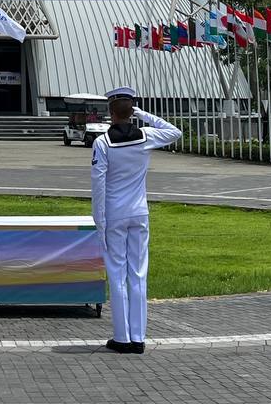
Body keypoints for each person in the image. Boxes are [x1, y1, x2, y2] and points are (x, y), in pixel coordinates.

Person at [91, 85, 181, 354]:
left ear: (110, 113)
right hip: (139, 212)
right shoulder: (146, 136)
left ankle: (122, 337)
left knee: (117, 274)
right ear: (131, 112)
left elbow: (98, 185)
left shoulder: (102, 143)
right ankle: (139, 337)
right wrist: (144, 115)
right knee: (138, 274)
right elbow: (175, 132)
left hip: (114, 214)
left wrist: (99, 221)